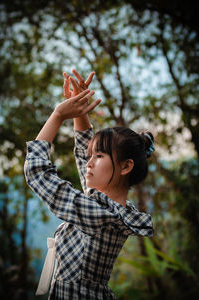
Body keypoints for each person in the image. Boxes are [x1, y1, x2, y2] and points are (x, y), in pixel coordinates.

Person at [24, 69, 154, 300]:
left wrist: (57, 115)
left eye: (100, 156)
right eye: (90, 155)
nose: (89, 163)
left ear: (125, 167)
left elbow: (37, 173)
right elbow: (86, 153)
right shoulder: (109, 207)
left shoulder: (99, 215)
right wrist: (79, 108)